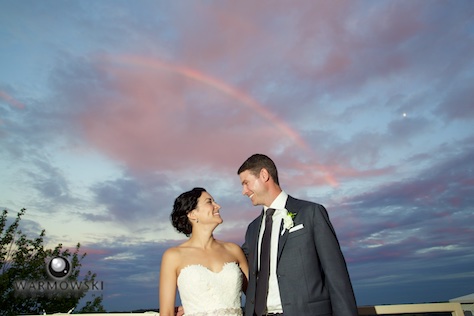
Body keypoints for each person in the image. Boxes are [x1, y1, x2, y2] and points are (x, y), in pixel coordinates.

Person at [238, 154, 358, 316]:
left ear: (264, 175)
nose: (244, 191)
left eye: (246, 183)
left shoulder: (311, 213)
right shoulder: (252, 229)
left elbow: (336, 275)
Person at [159, 187, 249, 316]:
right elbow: (166, 312)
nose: (217, 206)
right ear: (192, 214)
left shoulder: (234, 250)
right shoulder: (173, 256)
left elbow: (255, 297)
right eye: (209, 202)